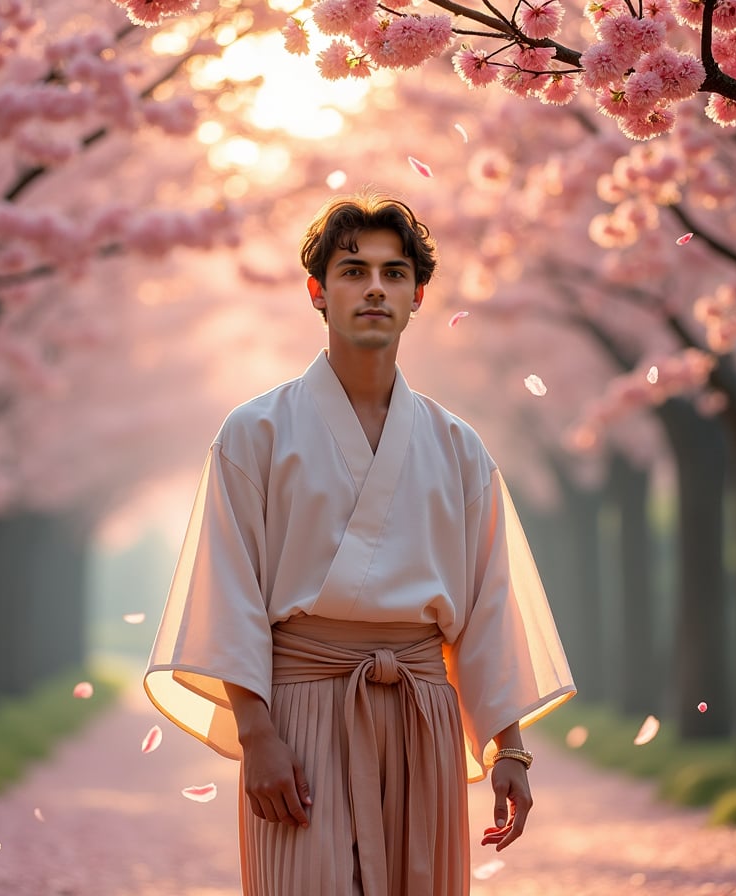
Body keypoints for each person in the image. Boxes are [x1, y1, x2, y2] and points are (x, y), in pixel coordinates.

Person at [144, 191, 576, 896]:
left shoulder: (459, 449)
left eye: (394, 272)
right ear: (317, 292)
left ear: (418, 295)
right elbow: (228, 592)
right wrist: (257, 736)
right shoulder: (254, 434)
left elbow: (489, 601)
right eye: (352, 271)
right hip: (302, 712)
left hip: (422, 718)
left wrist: (512, 750)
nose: (374, 287)